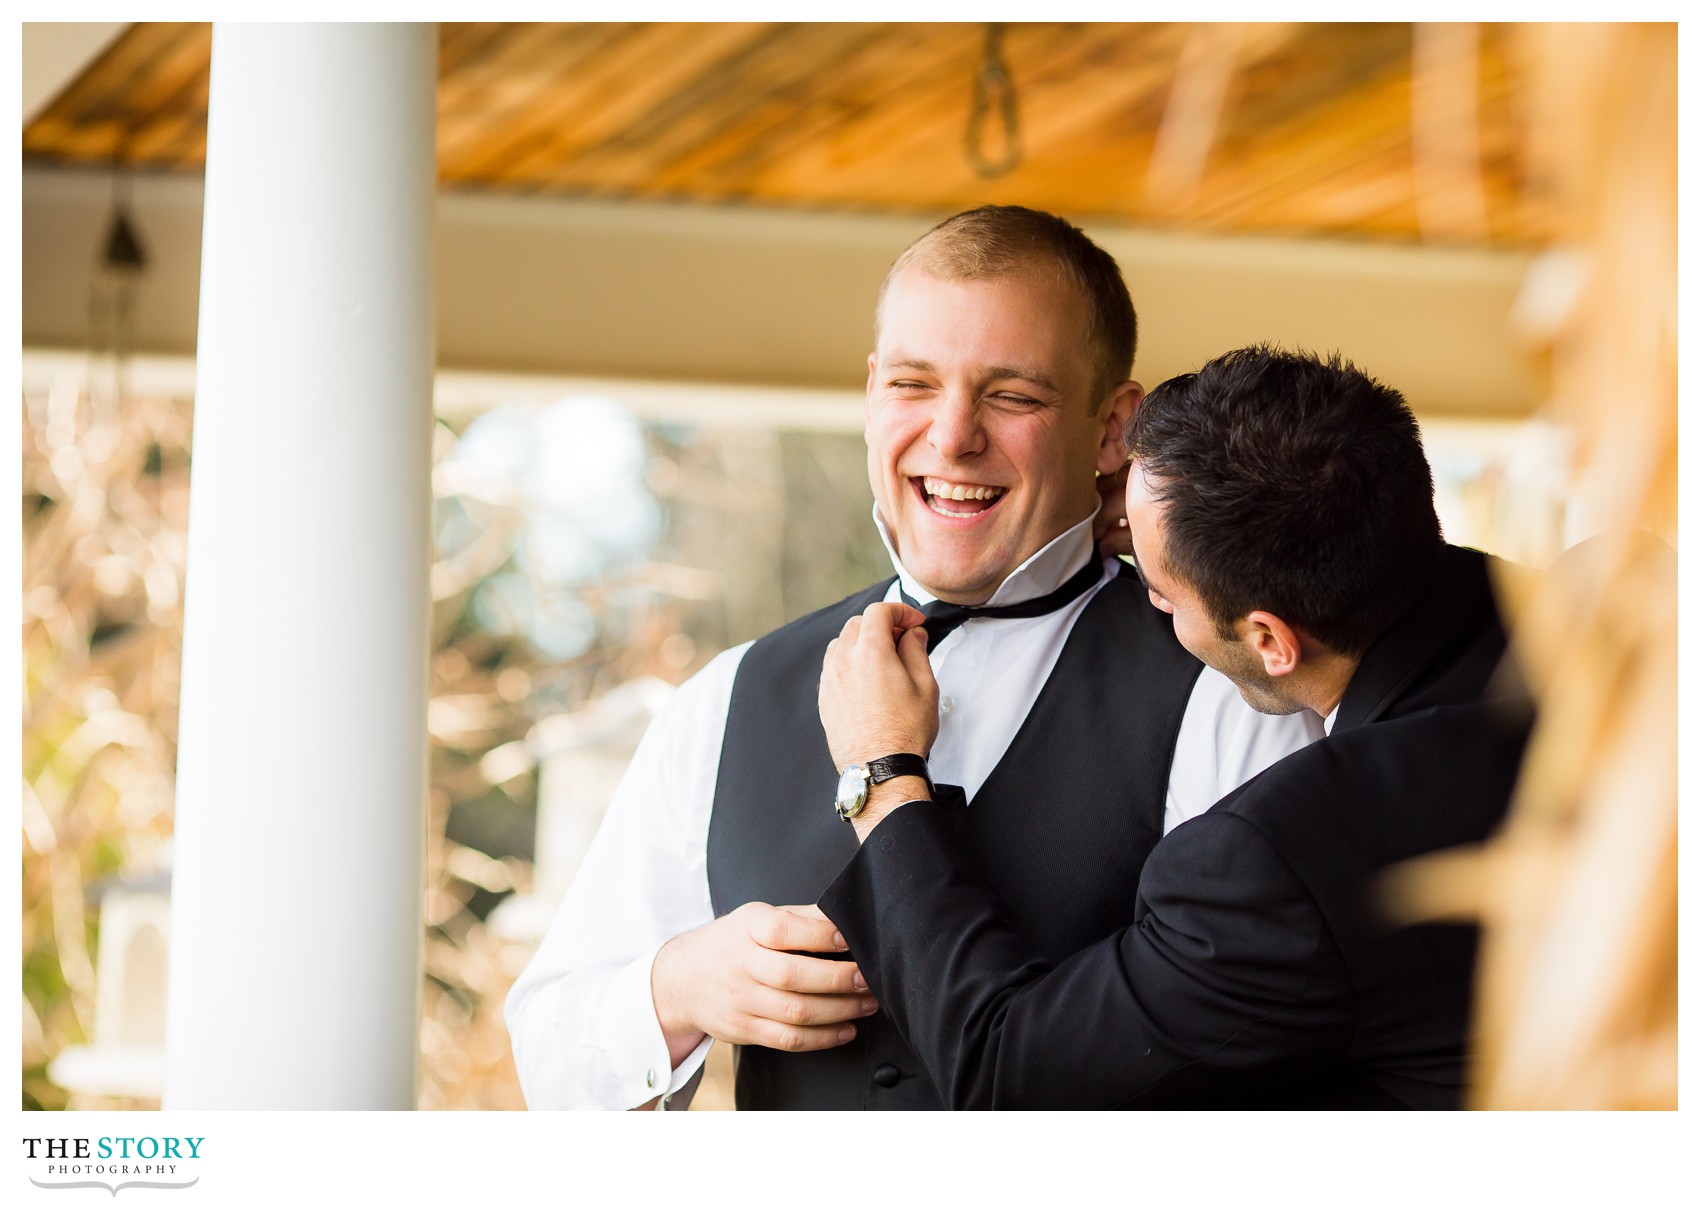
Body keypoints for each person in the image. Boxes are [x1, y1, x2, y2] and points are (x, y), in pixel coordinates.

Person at [505, 209, 1322, 1110]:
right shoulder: (728, 697)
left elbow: (1255, 1069)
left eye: (1012, 395)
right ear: (869, 397)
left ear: (1111, 431)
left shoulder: (1230, 697)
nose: (952, 434)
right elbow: (550, 1056)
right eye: (912, 383)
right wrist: (678, 984)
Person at [816, 345, 1532, 1109]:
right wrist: (1176, 510)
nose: (1128, 555)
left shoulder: (1280, 862)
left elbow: (1008, 1070)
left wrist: (883, 771)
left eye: (1159, 592)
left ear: (1270, 642)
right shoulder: (1595, 636)